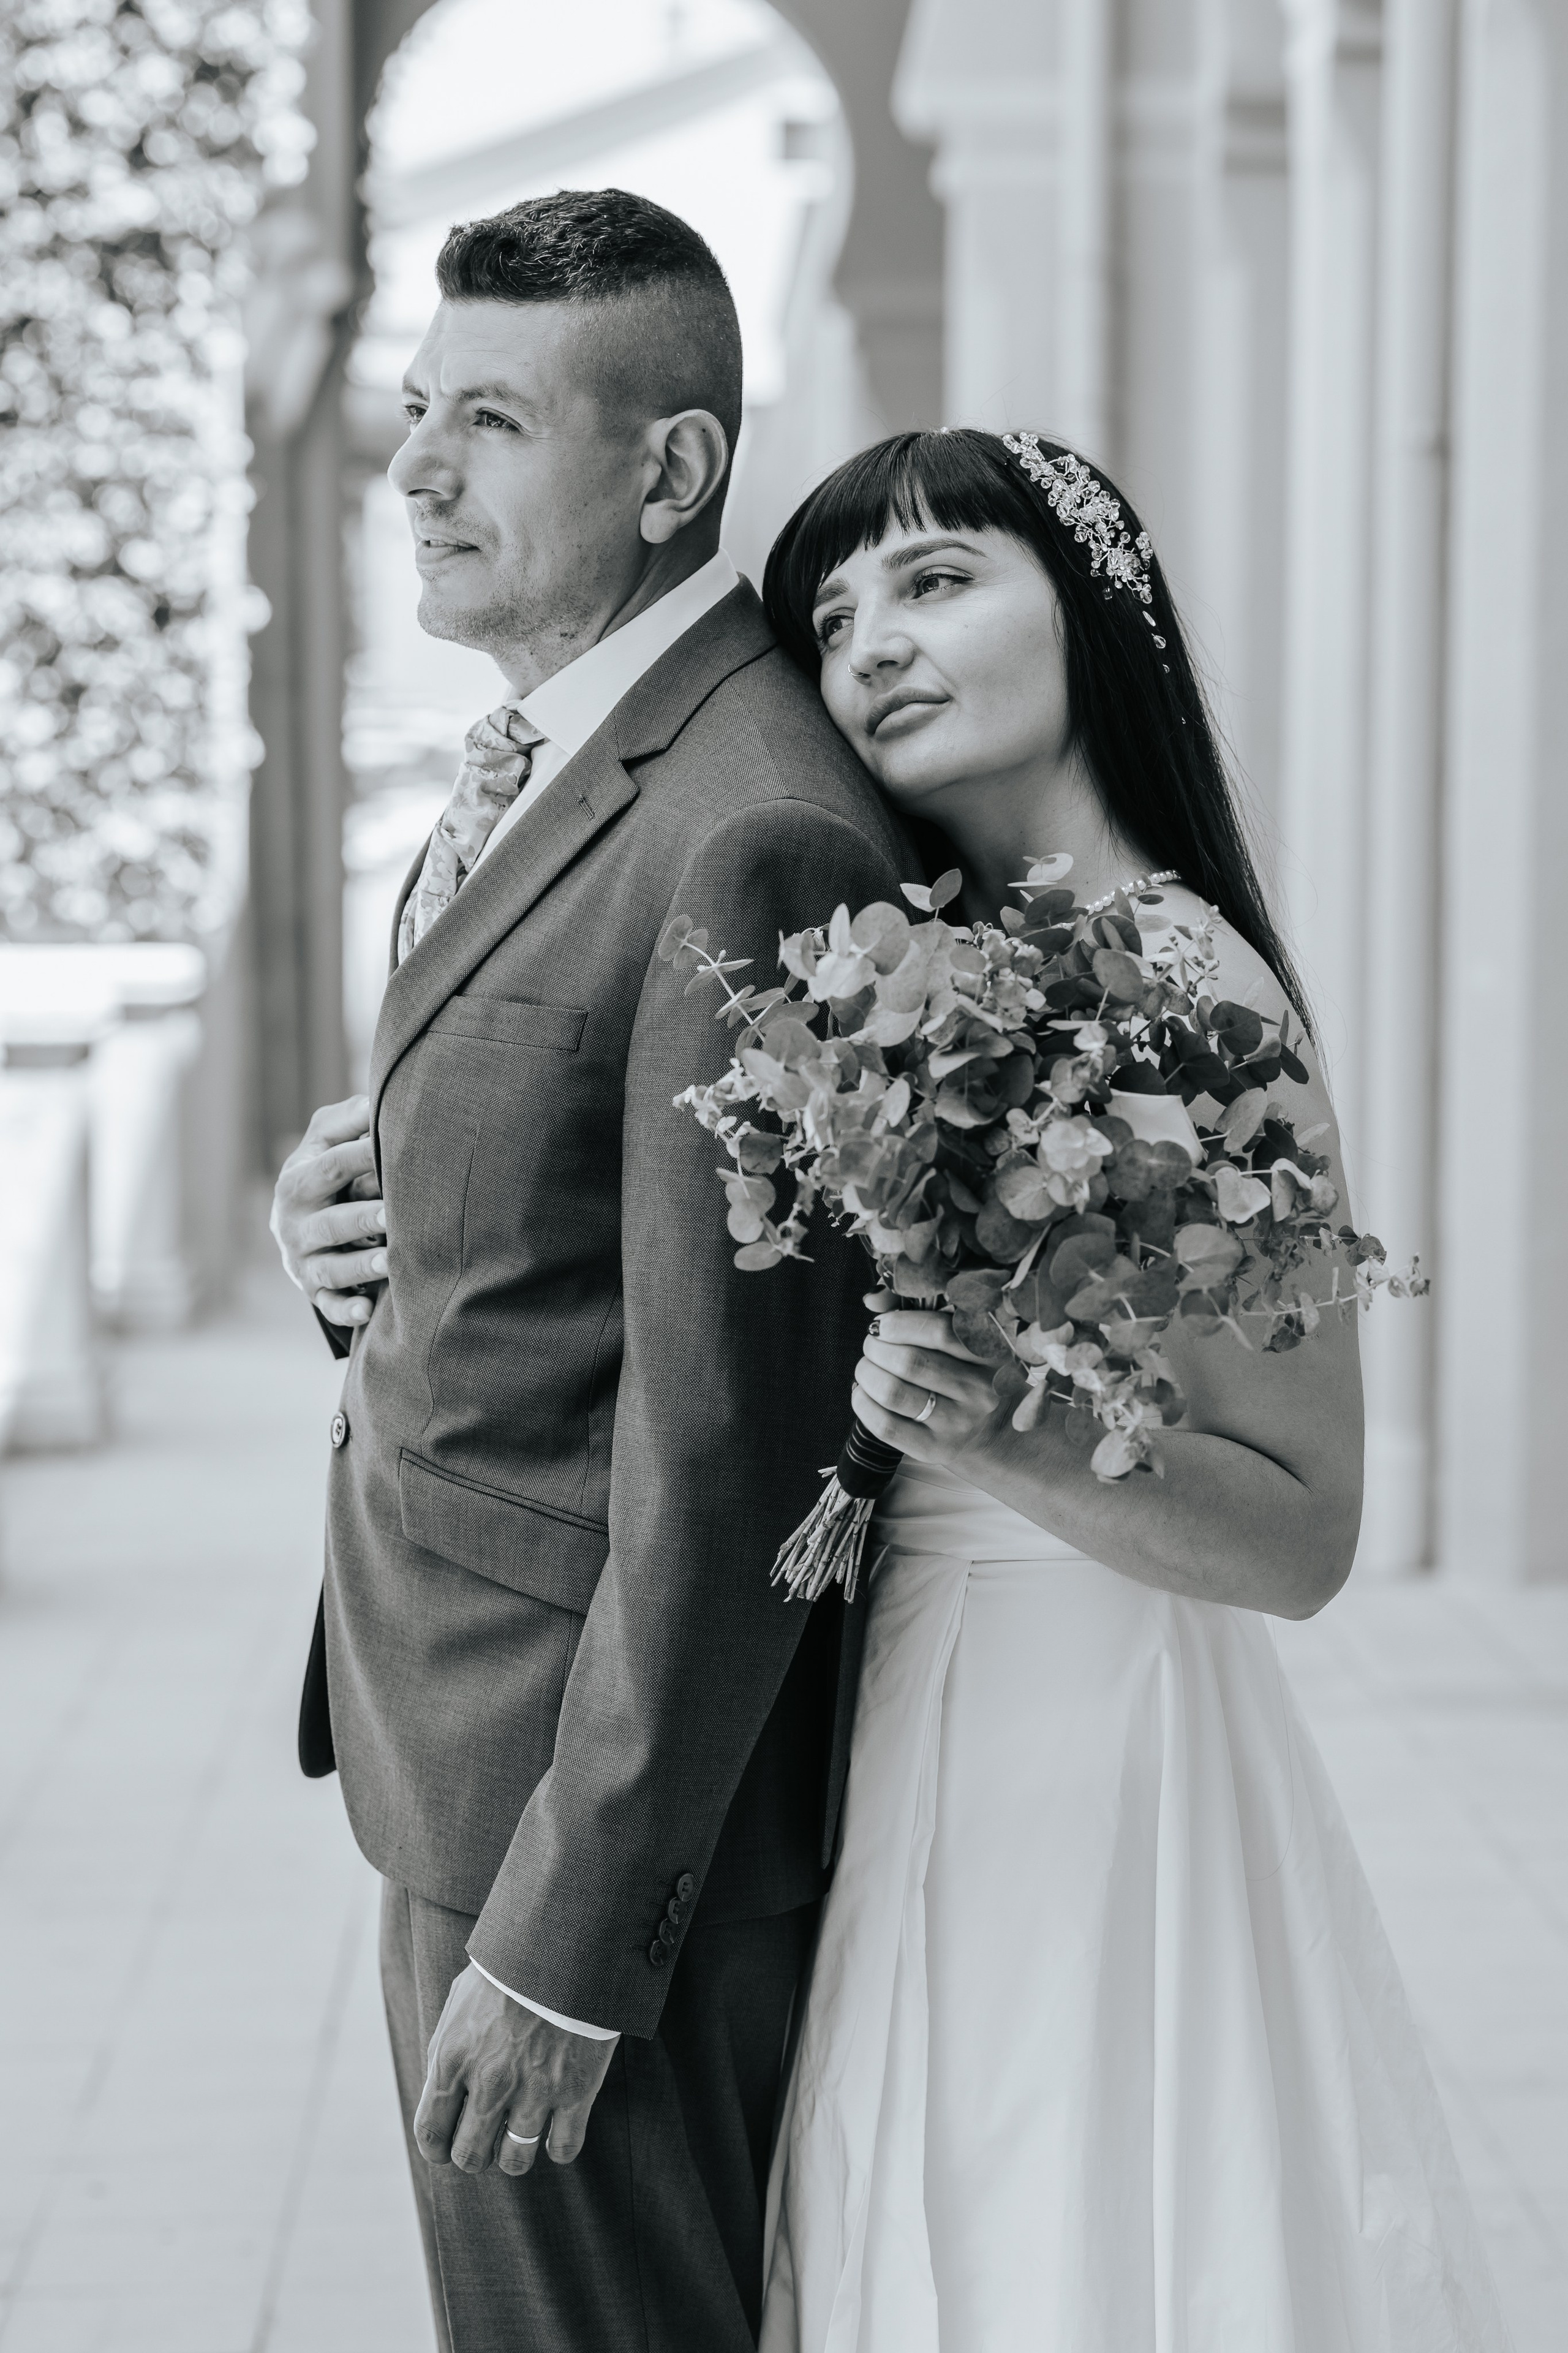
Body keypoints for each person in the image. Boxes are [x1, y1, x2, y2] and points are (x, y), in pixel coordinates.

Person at [755, 429, 1512, 2352]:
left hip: (1087, 1741)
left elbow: (1304, 1533)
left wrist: (991, 1423)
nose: (872, 651)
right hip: (922, 1698)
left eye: (937, 582)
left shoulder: (1191, 992)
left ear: (1091, 605)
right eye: (834, 617)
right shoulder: (917, 960)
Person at [268, 191, 908, 2353]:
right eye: (420, 413)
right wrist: (344, 1235)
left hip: (588, 1821)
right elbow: (553, 1211)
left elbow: (739, 1453)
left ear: (670, 474)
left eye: (493, 423)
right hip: (465, 1738)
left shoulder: (749, 822)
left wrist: (566, 1932)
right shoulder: (565, 756)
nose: (420, 472)